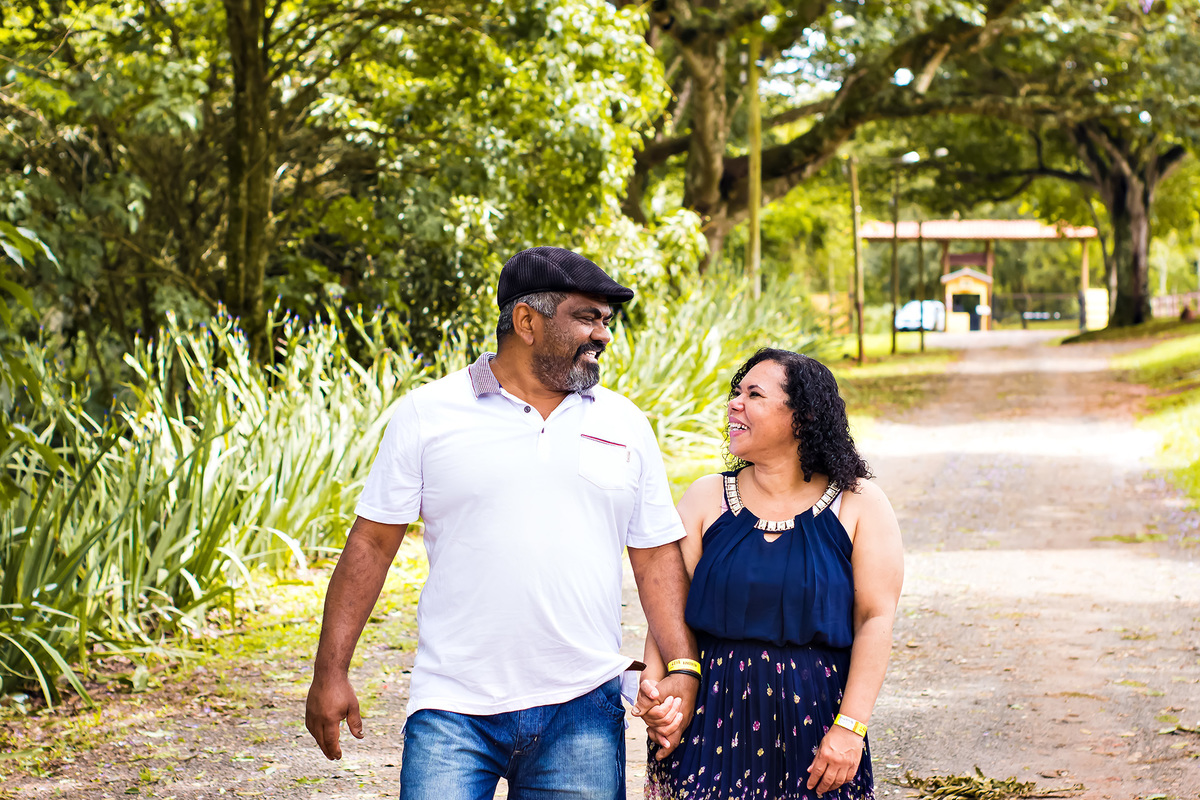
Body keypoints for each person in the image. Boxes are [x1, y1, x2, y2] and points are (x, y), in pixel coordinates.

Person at [304, 246, 699, 800]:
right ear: (527, 322)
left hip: (583, 706)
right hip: (452, 707)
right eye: (587, 317)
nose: (603, 335)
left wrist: (683, 666)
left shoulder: (624, 422)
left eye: (606, 320)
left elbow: (655, 554)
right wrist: (330, 671)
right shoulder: (428, 413)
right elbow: (371, 543)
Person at [638, 348, 903, 800]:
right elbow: (667, 606)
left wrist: (851, 727)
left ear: (803, 417)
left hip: (816, 722)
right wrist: (659, 691)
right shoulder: (706, 498)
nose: (734, 404)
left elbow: (874, 619)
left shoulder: (859, 504)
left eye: (754, 394)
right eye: (736, 393)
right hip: (709, 716)